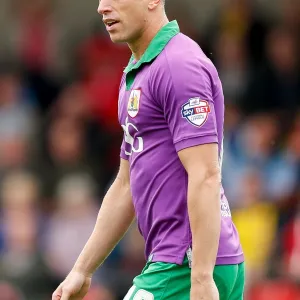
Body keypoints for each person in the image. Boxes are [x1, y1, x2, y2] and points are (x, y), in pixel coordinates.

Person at [52, 0, 245, 299]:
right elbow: (126, 184)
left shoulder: (179, 65)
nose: (102, 7)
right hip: (185, 262)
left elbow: (206, 174)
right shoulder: (138, 71)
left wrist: (202, 278)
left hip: (186, 265)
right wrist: (82, 269)